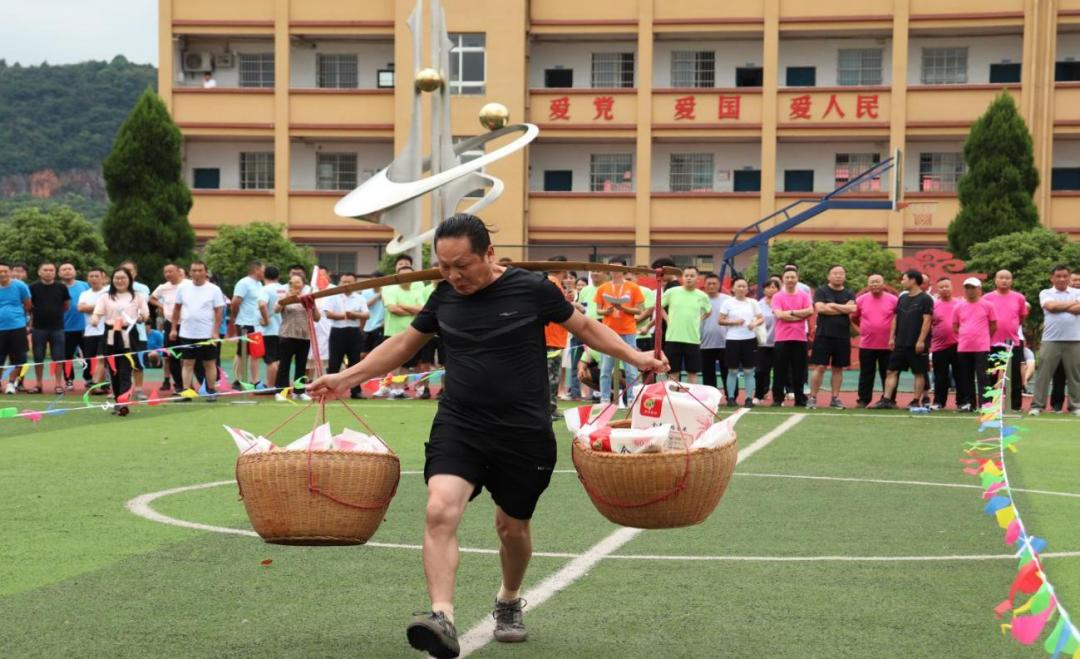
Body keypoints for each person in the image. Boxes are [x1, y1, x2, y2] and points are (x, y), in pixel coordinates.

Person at [307, 214, 667, 658]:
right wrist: (346, 378)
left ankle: (509, 599)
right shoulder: (444, 296)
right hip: (461, 424)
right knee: (439, 509)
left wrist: (636, 356)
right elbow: (402, 345)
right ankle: (442, 616)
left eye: (462, 265)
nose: (454, 276)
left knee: (512, 527)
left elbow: (587, 328)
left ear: (489, 254)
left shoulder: (532, 289)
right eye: (444, 267)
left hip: (524, 431)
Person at [869, 270, 934, 410]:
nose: (902, 282)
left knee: (919, 373)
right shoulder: (902, 298)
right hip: (900, 343)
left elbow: (927, 320)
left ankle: (915, 401)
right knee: (891, 371)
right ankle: (886, 400)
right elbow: (896, 318)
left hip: (916, 344)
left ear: (913, 280)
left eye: (904, 279)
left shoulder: (925, 299)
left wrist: (921, 341)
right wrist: (892, 338)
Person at [90, 267, 149, 416]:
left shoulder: (137, 296)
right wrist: (95, 320)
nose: (120, 281)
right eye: (117, 278)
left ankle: (124, 403)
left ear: (129, 279)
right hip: (110, 335)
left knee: (125, 370)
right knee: (113, 370)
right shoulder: (105, 297)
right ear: (112, 280)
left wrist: (142, 318)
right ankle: (118, 401)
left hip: (128, 334)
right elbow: (97, 313)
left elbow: (145, 314)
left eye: (123, 278)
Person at [1030, 265, 1080, 416]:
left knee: (1075, 376)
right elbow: (1051, 307)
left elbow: (1077, 309)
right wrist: (1072, 303)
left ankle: (1075, 406)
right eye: (1058, 276)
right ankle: (1037, 406)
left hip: (1075, 339)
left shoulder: (1078, 292)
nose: (1062, 279)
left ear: (1069, 277)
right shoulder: (1046, 292)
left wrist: (1060, 307)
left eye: (1065, 276)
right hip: (1051, 340)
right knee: (1043, 375)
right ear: (1051, 278)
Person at [170, 261, 224, 399]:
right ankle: (187, 391)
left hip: (207, 333)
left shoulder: (214, 289)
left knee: (209, 362)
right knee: (187, 362)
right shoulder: (183, 288)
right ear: (190, 272)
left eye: (200, 270)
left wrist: (215, 332)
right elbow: (177, 308)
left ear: (206, 272)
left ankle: (211, 390)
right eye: (194, 270)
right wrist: (174, 328)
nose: (197, 273)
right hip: (187, 332)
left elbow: (219, 311)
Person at [595, 260, 644, 403]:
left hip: (628, 331)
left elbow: (639, 310)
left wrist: (623, 308)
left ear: (624, 270)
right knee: (605, 368)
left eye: (618, 268)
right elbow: (598, 310)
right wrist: (606, 311)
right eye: (613, 268)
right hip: (608, 331)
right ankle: (604, 399)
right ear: (609, 270)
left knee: (631, 368)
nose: (615, 271)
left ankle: (632, 399)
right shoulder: (603, 288)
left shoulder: (633, 287)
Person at [808, 265, 856, 410]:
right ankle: (812, 397)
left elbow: (852, 308)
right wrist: (843, 308)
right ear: (828, 276)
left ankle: (835, 398)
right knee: (820, 367)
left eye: (841, 273)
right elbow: (821, 309)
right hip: (823, 335)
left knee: (838, 368)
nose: (838, 276)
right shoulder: (822, 291)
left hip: (842, 336)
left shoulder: (849, 292)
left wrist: (833, 305)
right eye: (835, 273)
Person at [984, 270, 1028, 411]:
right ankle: (990, 405)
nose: (1004, 280)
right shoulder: (987, 298)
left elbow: (1021, 317)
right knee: (992, 375)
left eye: (1007, 278)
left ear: (1012, 280)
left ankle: (1015, 406)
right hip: (992, 342)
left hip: (1012, 342)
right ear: (995, 280)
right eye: (1001, 278)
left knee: (1014, 376)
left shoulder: (1019, 297)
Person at [770, 267, 814, 407]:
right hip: (782, 338)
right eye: (787, 277)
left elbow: (810, 311)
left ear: (797, 278)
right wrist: (800, 315)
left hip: (800, 338)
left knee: (799, 371)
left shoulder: (804, 295)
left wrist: (791, 312)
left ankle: (800, 399)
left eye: (792, 277)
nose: (790, 279)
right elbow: (779, 315)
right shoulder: (777, 296)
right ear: (783, 279)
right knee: (779, 370)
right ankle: (778, 399)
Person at [951, 277, 997, 412]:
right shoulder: (958, 306)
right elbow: (955, 326)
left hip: (982, 347)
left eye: (973, 287)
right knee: (966, 377)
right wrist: (966, 335)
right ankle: (969, 404)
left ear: (979, 289)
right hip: (964, 347)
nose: (970, 290)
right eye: (967, 288)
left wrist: (983, 337)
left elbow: (993, 325)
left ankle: (985, 404)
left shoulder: (988, 305)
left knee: (983, 377)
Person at [852, 273, 898, 407]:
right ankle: (863, 400)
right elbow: (854, 317)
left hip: (888, 345)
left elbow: (898, 318)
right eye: (872, 282)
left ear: (883, 284)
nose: (875, 284)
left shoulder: (893, 300)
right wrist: (864, 329)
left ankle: (889, 400)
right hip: (867, 344)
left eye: (877, 281)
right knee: (866, 373)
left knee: (888, 373)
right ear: (868, 285)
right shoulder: (861, 300)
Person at [273, 273, 319, 401]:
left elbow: (317, 318)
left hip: (304, 336)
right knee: (284, 364)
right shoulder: (284, 296)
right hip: (287, 334)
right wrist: (286, 298)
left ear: (303, 284)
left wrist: (313, 305)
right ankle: (281, 392)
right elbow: (276, 310)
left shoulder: (307, 298)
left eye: (297, 282)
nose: (294, 284)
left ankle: (299, 392)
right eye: (291, 282)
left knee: (301, 365)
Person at [660, 266, 711, 385]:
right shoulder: (672, 292)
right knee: (673, 372)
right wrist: (667, 319)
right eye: (686, 275)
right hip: (673, 338)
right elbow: (659, 306)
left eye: (692, 276)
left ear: (698, 278)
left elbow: (709, 311)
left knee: (692, 372)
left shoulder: (702, 296)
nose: (689, 278)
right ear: (682, 277)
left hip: (692, 339)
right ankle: (673, 396)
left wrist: (699, 319)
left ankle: (692, 396)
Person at [382, 266, 427, 398]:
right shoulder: (391, 290)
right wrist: (412, 310)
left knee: (407, 363)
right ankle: (394, 389)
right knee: (394, 362)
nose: (406, 278)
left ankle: (401, 389)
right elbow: (392, 309)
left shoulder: (417, 292)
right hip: (393, 332)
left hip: (411, 332)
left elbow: (421, 310)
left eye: (409, 275)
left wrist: (401, 305)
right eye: (403, 275)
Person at [718, 276, 762, 407]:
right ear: (733, 288)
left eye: (744, 286)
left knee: (749, 371)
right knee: (732, 371)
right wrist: (734, 322)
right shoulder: (727, 303)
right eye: (739, 286)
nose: (742, 288)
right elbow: (720, 320)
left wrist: (754, 323)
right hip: (733, 340)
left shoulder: (753, 302)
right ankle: (731, 398)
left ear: (747, 289)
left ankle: (748, 399)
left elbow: (761, 318)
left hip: (749, 339)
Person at [325, 273, 368, 399]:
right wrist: (346, 316)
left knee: (355, 363)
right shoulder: (333, 296)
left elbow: (366, 315)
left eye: (349, 282)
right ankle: (331, 390)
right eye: (343, 281)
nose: (346, 284)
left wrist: (353, 315)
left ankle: (356, 391)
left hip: (354, 332)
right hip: (337, 331)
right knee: (334, 362)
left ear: (355, 283)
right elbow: (328, 314)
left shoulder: (359, 297)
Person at [29, 262, 69, 394]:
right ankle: (38, 384)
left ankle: (58, 384)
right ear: (39, 272)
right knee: (38, 357)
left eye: (51, 270)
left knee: (58, 357)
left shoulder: (61, 287)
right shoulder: (33, 287)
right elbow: (29, 306)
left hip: (57, 328)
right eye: (45, 270)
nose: (48, 272)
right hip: (38, 328)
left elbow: (66, 305)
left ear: (55, 272)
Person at [151, 263, 190, 391]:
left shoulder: (188, 284)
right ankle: (178, 385)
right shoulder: (163, 287)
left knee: (189, 355)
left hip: (187, 323)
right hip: (170, 323)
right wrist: (162, 306)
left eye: (170, 271)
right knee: (173, 355)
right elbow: (151, 298)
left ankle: (190, 384)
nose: (167, 274)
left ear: (178, 272)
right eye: (165, 272)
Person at [119, 260, 151, 400]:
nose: (126, 273)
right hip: (117, 330)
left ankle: (138, 389)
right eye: (123, 270)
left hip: (137, 330)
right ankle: (119, 389)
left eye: (129, 270)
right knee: (119, 360)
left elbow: (141, 306)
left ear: (135, 273)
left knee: (138, 360)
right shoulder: (110, 289)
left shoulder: (141, 288)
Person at [543, 257, 571, 419]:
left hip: (553, 338)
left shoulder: (552, 283)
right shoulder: (553, 283)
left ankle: (551, 408)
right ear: (563, 268)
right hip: (552, 339)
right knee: (551, 377)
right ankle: (548, 410)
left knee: (551, 377)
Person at [231, 260, 266, 388]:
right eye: (263, 270)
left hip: (256, 324)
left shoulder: (259, 284)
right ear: (256, 270)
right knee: (242, 353)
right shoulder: (244, 283)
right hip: (245, 323)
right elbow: (235, 302)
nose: (264, 273)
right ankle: (237, 380)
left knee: (256, 353)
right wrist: (236, 317)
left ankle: (255, 380)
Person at [0, 262, 31, 395]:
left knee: (17, 358)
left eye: (5, 271)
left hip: (17, 327)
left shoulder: (20, 286)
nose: (2, 274)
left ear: (10, 272)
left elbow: (27, 305)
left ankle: (11, 383)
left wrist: (16, 316)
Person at [76, 268, 109, 393]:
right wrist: (100, 307)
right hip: (90, 331)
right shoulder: (85, 293)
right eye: (91, 276)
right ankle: (102, 384)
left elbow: (109, 307)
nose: (94, 278)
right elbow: (80, 308)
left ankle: (96, 384)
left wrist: (90, 308)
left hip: (105, 330)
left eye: (96, 276)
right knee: (91, 359)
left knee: (102, 358)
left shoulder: (108, 291)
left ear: (103, 278)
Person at [929, 277, 959, 410]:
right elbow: (927, 323)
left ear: (952, 287)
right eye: (941, 287)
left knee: (960, 375)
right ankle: (939, 402)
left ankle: (962, 402)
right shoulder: (933, 305)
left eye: (947, 286)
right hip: (939, 346)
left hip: (958, 345)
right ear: (938, 289)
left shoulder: (960, 304)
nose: (945, 289)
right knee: (940, 376)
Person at [59, 263, 89, 391]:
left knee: (89, 355)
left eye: (69, 269)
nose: (67, 271)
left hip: (85, 328)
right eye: (64, 269)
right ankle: (69, 380)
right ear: (59, 273)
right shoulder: (58, 288)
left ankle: (89, 378)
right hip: (65, 328)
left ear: (75, 271)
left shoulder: (85, 286)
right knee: (67, 357)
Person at [699, 272, 730, 395]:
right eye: (709, 284)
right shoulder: (699, 299)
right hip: (704, 343)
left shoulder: (727, 300)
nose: (711, 286)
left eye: (714, 283)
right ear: (705, 285)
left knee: (727, 372)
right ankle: (711, 397)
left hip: (725, 342)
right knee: (708, 373)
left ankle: (731, 397)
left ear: (719, 285)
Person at [257, 266, 286, 392]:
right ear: (278, 276)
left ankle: (270, 386)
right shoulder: (284, 289)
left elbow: (262, 304)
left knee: (271, 360)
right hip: (283, 329)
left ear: (264, 276)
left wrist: (266, 319)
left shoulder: (265, 289)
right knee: (280, 359)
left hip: (269, 330)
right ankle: (279, 384)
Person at [753, 277, 780, 405]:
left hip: (779, 342)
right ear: (764, 290)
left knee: (779, 371)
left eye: (774, 287)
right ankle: (759, 395)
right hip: (762, 343)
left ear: (778, 290)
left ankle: (778, 398)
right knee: (760, 371)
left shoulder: (781, 303)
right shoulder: (758, 305)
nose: (771, 290)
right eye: (768, 287)